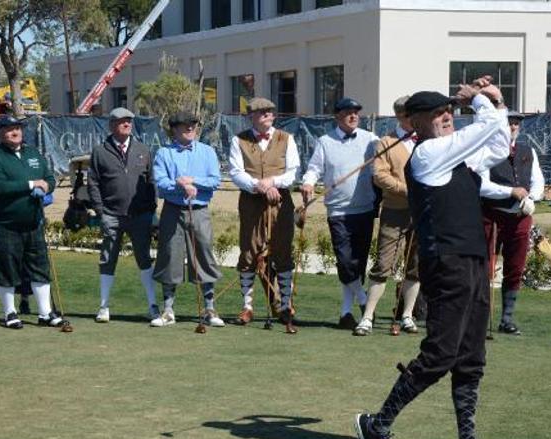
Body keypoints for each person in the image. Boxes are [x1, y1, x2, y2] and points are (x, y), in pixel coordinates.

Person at [354, 77, 510, 439]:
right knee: (440, 354)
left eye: (449, 112)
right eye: (438, 114)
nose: (446, 118)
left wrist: (493, 100)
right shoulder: (427, 156)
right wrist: (478, 101)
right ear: (416, 124)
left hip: (473, 261)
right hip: (448, 263)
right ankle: (378, 423)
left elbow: (498, 143)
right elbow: (488, 128)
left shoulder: (455, 156)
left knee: (472, 357)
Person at [0, 115, 69, 330]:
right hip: (4, 224)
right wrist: (32, 184)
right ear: (0, 133)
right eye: (9, 129)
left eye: (17, 128)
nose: (15, 132)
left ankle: (45, 312)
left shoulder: (33, 154)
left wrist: (46, 187)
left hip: (34, 222)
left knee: (40, 268)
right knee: (7, 268)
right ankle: (10, 313)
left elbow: (48, 178)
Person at [301, 97, 379, 330]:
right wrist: (308, 182)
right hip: (338, 211)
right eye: (348, 112)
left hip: (365, 209)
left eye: (356, 112)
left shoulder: (371, 140)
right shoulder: (325, 141)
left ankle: (346, 313)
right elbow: (314, 169)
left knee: (358, 262)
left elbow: (381, 167)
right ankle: (365, 302)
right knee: (345, 261)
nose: (353, 116)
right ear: (337, 116)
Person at [228, 97, 299, 333]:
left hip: (281, 201)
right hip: (251, 202)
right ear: (251, 116)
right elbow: (236, 172)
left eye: (270, 111)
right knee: (248, 251)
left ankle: (285, 305)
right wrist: (259, 186)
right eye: (262, 112)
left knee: (282, 251)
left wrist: (273, 183)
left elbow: (293, 171)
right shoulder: (238, 140)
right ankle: (247, 307)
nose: (268, 115)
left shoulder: (286, 139)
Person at [150, 111, 224, 328]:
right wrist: (179, 185)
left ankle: (209, 309)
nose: (190, 128)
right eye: (185, 125)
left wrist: (193, 181)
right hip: (173, 210)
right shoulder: (164, 154)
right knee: (170, 256)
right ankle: (168, 310)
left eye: (193, 124)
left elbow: (214, 181)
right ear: (174, 129)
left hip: (199, 210)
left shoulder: (207, 152)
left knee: (203, 255)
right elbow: (161, 183)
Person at [355, 95, 420, 336]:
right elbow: (379, 175)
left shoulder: (428, 141)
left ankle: (407, 315)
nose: (413, 119)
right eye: (408, 115)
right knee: (383, 265)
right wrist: (407, 190)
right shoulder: (386, 142)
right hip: (395, 210)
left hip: (422, 213)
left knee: (415, 267)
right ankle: (368, 316)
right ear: (399, 116)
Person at [88, 107, 159, 323]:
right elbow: (93, 183)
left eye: (129, 120)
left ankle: (153, 306)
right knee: (108, 259)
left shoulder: (143, 149)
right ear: (111, 125)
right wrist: (100, 211)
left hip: (140, 215)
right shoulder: (100, 151)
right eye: (121, 121)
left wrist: (152, 210)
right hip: (111, 214)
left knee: (144, 259)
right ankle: (104, 306)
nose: (126, 124)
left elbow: (151, 182)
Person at [479, 110, 544, 335]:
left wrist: (531, 197)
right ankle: (480, 315)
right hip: (492, 215)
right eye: (509, 123)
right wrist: (510, 191)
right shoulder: (486, 150)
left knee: (515, 268)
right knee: (485, 267)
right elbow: (482, 185)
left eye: (516, 123)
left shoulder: (527, 151)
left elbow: (537, 181)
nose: (513, 127)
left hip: (519, 217)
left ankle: (507, 318)